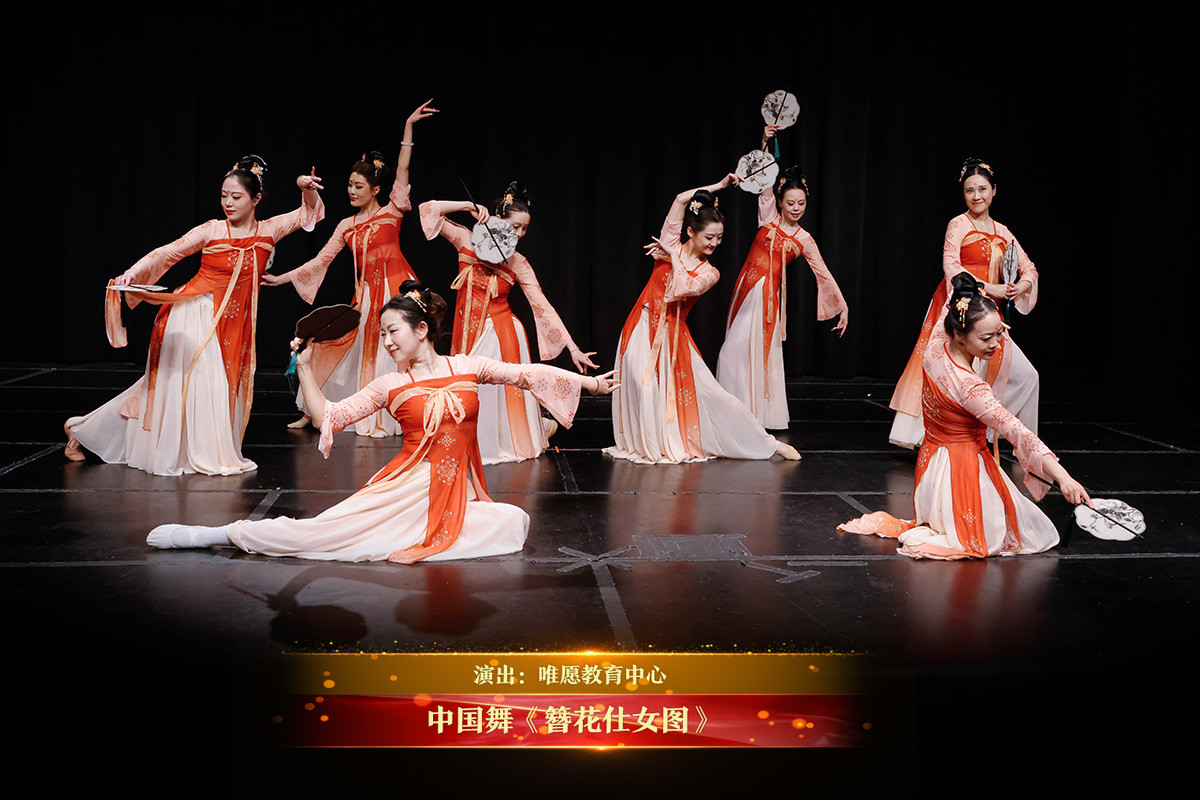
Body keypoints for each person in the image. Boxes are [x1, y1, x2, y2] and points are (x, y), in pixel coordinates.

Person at [145, 282, 618, 563]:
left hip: (456, 491)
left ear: (421, 330)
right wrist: (305, 369)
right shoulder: (389, 385)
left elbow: (526, 374)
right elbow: (330, 416)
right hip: (405, 487)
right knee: (320, 537)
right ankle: (216, 534)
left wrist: (590, 385)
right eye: (383, 334)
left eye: (393, 332)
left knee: (513, 522)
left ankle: (415, 534)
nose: (387, 342)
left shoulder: (467, 366)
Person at [64, 156, 325, 476]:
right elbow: (167, 253)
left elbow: (308, 213)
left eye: (236, 196)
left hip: (232, 325)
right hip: (195, 316)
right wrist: (132, 274)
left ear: (256, 199)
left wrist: (304, 188)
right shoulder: (211, 230)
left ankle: (80, 429)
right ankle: (200, 454)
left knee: (163, 390)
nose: (228, 203)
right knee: (194, 387)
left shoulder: (269, 230)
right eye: (224, 195)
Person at [840, 273, 1089, 559]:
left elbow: (954, 297)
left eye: (999, 333)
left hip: (931, 469)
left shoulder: (936, 345)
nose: (996, 343)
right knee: (1036, 534)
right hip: (962, 474)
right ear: (959, 334)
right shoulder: (970, 388)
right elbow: (1017, 432)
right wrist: (1064, 478)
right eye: (986, 338)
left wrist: (979, 307)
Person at [263, 100, 437, 435]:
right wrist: (282, 278)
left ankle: (406, 412)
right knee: (335, 346)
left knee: (398, 351)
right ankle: (314, 410)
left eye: (359, 187)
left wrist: (408, 127)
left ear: (376, 189)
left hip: (397, 293)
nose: (351, 192)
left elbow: (403, 170)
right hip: (367, 296)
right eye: (349, 185)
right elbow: (321, 260)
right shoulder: (346, 225)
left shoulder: (392, 211)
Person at [605, 175, 801, 464]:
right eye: (709, 237)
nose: (715, 243)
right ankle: (652, 443)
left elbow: (682, 288)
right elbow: (680, 200)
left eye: (719, 238)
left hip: (673, 337)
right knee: (642, 387)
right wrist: (718, 187)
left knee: (714, 396)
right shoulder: (671, 241)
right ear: (690, 232)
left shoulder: (710, 272)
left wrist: (672, 257)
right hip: (641, 325)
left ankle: (768, 444)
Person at [419, 182, 598, 464]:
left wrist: (572, 348)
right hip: (466, 332)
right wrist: (467, 206)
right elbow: (427, 210)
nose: (520, 233)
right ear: (499, 218)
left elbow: (543, 306)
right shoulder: (466, 240)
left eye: (525, 228)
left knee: (487, 395)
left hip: (499, 334)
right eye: (515, 226)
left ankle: (489, 444)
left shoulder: (517, 263)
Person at [889, 157, 1039, 448]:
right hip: (958, 308)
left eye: (982, 189)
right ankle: (942, 434)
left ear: (994, 190)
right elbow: (952, 267)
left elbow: (1030, 269)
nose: (976, 196)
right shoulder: (958, 224)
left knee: (1026, 377)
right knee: (947, 372)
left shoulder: (1003, 231)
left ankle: (1024, 445)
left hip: (988, 314)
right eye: (970, 190)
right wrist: (992, 288)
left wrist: (1017, 287)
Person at [716, 150, 849, 429]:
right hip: (746, 291)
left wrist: (842, 307)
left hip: (766, 301)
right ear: (779, 202)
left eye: (801, 203)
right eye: (790, 203)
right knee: (733, 354)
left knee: (748, 355)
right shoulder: (768, 218)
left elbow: (822, 273)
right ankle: (731, 412)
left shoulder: (804, 238)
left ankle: (752, 415)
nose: (796, 208)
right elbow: (765, 174)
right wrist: (766, 143)